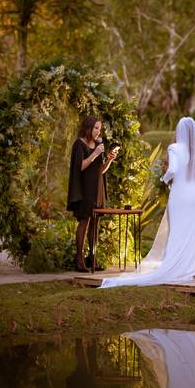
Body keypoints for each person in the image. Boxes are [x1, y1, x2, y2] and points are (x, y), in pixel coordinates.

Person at [100, 117, 195, 288]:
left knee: (177, 230)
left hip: (180, 194)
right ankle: (188, 268)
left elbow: (172, 169)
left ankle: (174, 266)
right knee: (190, 231)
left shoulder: (175, 148)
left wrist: (164, 179)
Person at [67, 116, 119, 272]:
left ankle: (93, 258)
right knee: (84, 222)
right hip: (84, 190)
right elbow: (80, 166)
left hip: (97, 190)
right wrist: (95, 153)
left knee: (95, 224)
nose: (98, 131)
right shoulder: (79, 144)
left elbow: (101, 170)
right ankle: (79, 259)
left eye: (100, 129)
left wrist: (109, 159)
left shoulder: (99, 145)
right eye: (96, 128)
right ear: (89, 128)